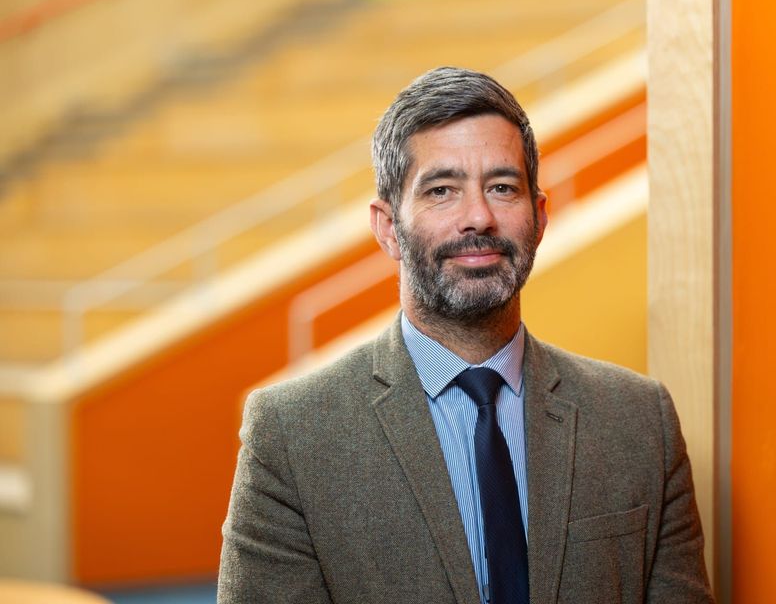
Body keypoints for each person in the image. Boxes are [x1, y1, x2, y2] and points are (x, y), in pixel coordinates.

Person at [217, 67, 714, 604]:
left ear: (539, 216)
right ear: (388, 227)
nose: (478, 216)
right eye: (442, 190)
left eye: (502, 187)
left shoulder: (639, 421)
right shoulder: (291, 435)